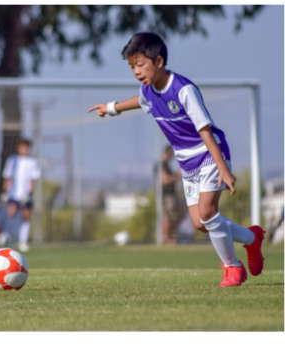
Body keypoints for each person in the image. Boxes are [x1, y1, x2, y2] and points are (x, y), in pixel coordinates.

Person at [88, 32, 265, 287]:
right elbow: (141, 101)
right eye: (132, 67)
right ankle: (251, 238)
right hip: (186, 163)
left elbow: (205, 130)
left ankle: (233, 268)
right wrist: (112, 107)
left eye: (140, 65)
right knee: (201, 223)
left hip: (209, 153)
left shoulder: (183, 90)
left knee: (207, 213)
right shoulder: (148, 90)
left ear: (159, 61)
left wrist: (223, 169)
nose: (136, 72)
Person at [1, 138, 40, 252]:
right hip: (13, 194)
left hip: (25, 194)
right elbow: (7, 177)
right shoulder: (12, 160)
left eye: (26, 147)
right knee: (11, 214)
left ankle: (23, 241)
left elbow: (33, 179)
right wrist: (5, 192)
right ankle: (9, 238)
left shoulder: (32, 162)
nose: (24, 149)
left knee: (25, 216)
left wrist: (29, 193)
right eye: (22, 147)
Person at [160, 145, 184, 244]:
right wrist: (177, 176)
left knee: (180, 214)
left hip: (172, 195)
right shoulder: (161, 164)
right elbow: (165, 180)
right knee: (168, 217)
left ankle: (169, 235)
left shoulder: (167, 165)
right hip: (167, 196)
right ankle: (166, 238)